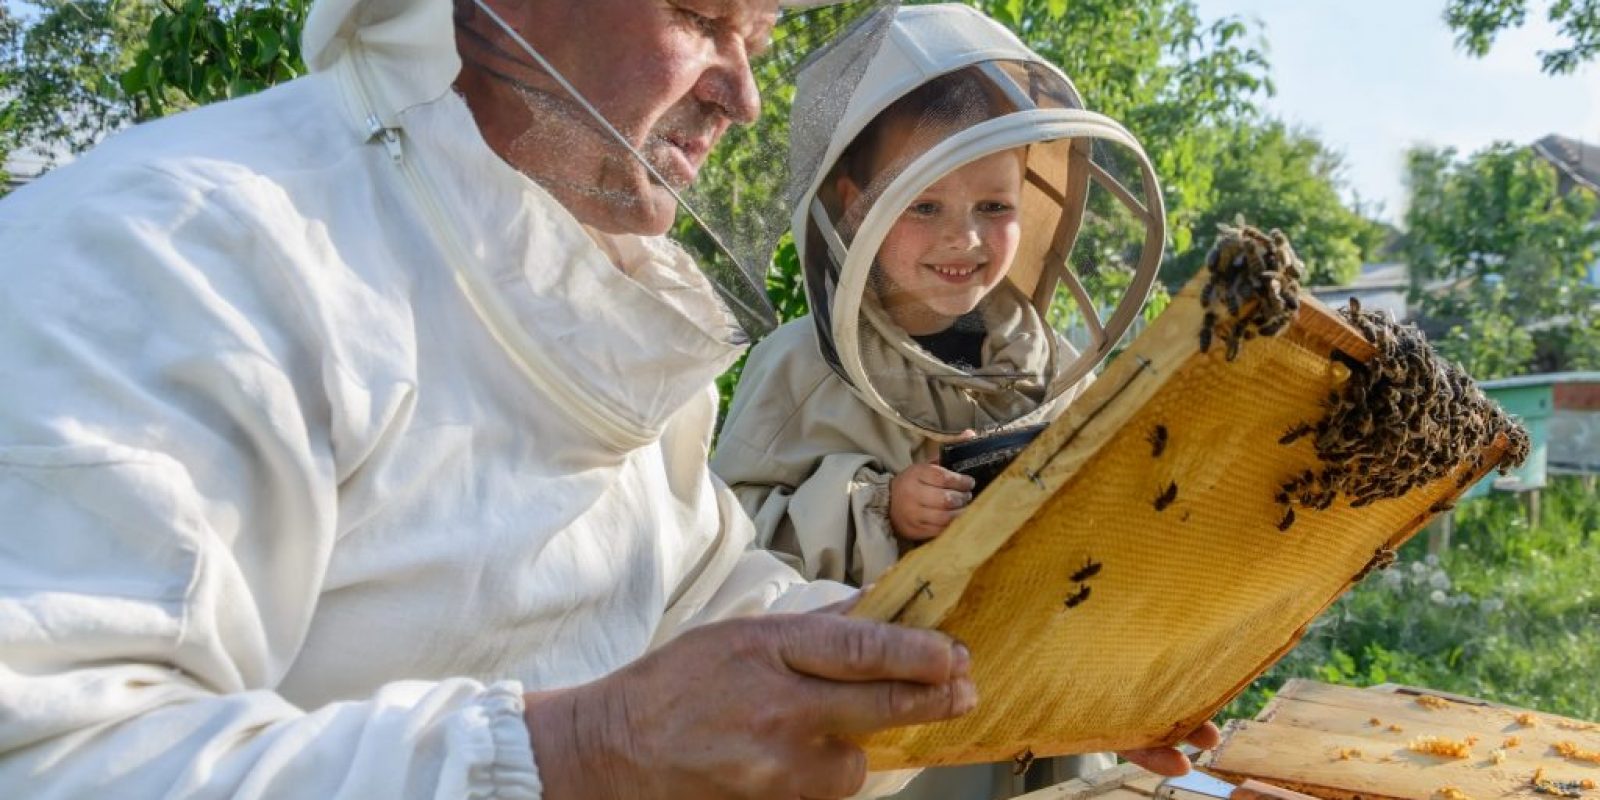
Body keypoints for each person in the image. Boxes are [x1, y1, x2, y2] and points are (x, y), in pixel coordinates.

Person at [0, 0, 1216, 797]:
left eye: (756, 33)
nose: (740, 96)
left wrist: (1055, 669)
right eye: (702, 17)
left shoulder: (591, 304)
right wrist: (582, 747)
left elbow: (721, 599)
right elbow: (49, 751)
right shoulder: (173, 248)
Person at [714, 5, 1175, 793]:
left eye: (993, 207)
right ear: (855, 206)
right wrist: (875, 506)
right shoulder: (796, 367)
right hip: (880, 746)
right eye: (923, 205)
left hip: (1033, 715)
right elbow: (722, 552)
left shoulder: (1050, 366)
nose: (963, 238)